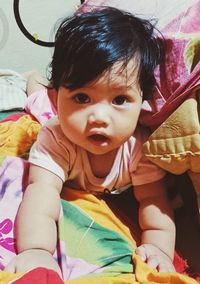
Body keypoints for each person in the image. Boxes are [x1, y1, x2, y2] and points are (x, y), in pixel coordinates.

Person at [5, 7, 175, 277]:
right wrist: (36, 250)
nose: (99, 117)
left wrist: (159, 249)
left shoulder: (138, 148)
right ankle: (34, 82)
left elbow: (154, 201)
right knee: (37, 105)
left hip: (66, 117)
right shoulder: (56, 138)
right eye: (82, 97)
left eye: (120, 100)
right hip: (55, 118)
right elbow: (41, 194)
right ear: (59, 95)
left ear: (142, 101)